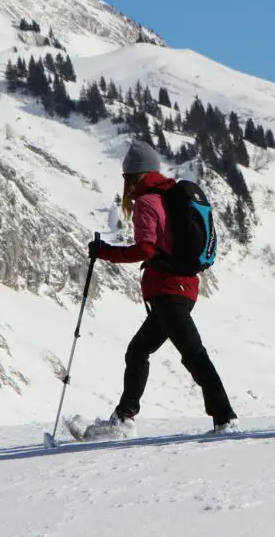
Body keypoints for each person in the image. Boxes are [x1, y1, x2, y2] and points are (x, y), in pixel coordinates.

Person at [89, 141, 237, 432]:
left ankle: (225, 418)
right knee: (138, 351)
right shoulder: (168, 194)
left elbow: (145, 249)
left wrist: (105, 252)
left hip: (169, 291)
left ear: (133, 176)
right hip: (180, 288)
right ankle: (123, 417)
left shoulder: (146, 202)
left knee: (194, 354)